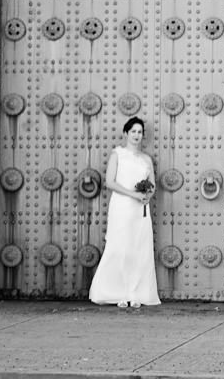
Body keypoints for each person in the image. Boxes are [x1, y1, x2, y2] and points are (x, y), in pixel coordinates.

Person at [89, 116, 161, 308]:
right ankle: (117, 293)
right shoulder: (117, 154)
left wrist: (147, 195)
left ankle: (136, 294)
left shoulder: (147, 159)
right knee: (120, 247)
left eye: (140, 132)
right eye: (133, 132)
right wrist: (133, 194)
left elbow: (152, 184)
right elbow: (110, 182)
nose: (137, 135)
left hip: (141, 210)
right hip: (122, 206)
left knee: (139, 249)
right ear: (126, 133)